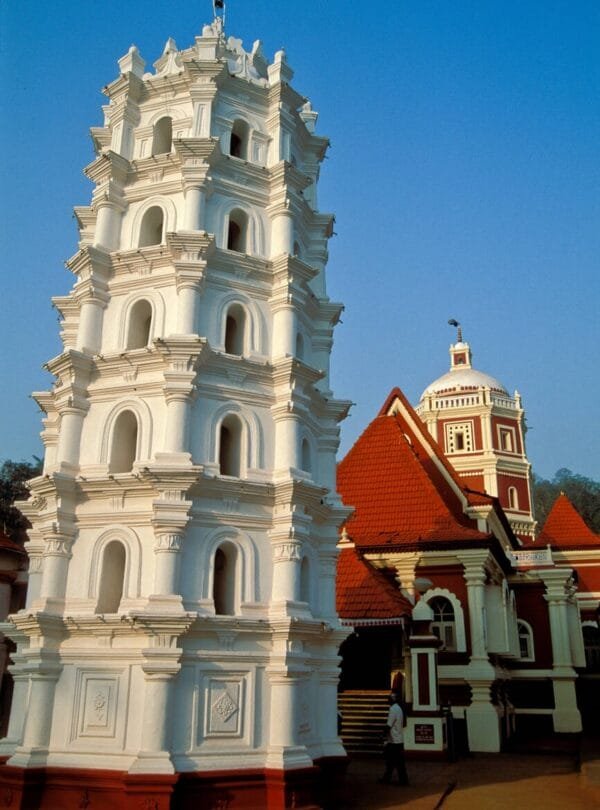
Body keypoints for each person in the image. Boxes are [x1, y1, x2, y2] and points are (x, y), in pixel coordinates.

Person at [379, 692, 409, 786]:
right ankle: (400, 779)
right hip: (398, 739)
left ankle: (392, 779)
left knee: (392, 761)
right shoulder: (399, 708)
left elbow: (389, 724)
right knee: (396, 762)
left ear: (393, 699)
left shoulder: (393, 709)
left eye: (390, 698)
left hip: (394, 740)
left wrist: (382, 734)